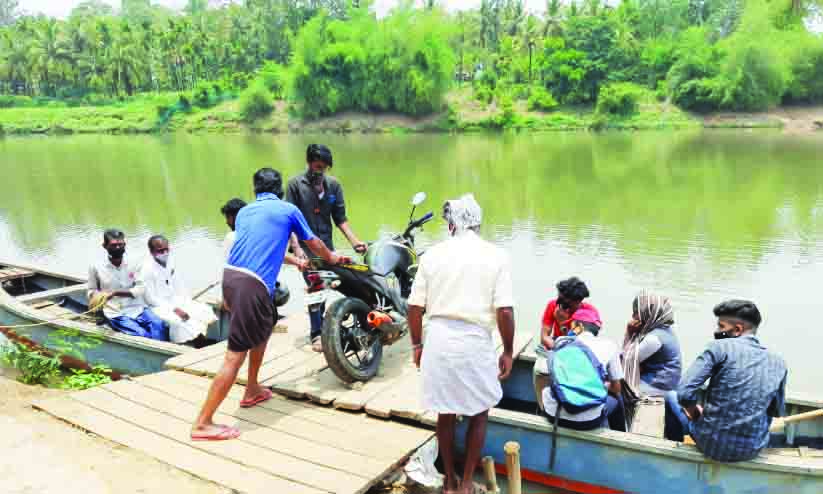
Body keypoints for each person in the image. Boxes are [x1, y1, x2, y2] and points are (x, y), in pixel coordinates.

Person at [191, 168, 348, 442]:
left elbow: (263, 248)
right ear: (280, 190)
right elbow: (314, 242)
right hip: (251, 285)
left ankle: (252, 390)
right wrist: (333, 258)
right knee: (234, 356)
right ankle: (203, 423)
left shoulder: (244, 213)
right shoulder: (288, 209)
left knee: (263, 330)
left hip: (232, 278)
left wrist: (295, 261)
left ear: (255, 191)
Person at [407, 194, 515, 494]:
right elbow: (504, 310)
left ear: (450, 223)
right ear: (478, 222)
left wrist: (417, 345)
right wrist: (507, 350)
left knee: (445, 412)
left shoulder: (432, 256)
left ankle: (449, 480)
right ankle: (467, 482)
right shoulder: (496, 256)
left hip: (439, 340)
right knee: (479, 412)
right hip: (474, 342)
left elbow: (414, 308)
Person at [664, 300, 787, 462]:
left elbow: (684, 392)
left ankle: (675, 449)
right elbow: (777, 411)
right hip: (752, 449)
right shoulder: (779, 362)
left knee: (671, 396)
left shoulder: (718, 348)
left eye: (721, 326)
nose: (717, 331)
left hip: (710, 445)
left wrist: (695, 414)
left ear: (737, 330)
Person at [287, 144, 366, 352]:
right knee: (315, 287)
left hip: (326, 248)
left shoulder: (334, 186)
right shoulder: (295, 185)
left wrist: (354, 241)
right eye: (317, 166)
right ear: (309, 163)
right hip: (304, 248)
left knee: (333, 285)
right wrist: (296, 249)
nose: (320, 171)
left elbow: (340, 218)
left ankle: (328, 325)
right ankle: (316, 334)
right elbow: (289, 221)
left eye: (324, 167)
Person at [541, 307, 627, 432]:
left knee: (548, 389)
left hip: (554, 415)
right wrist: (599, 385)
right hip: (588, 421)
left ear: (577, 325)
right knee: (617, 398)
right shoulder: (610, 345)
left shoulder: (561, 341)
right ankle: (621, 437)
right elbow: (616, 388)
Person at [87, 229, 167, 341]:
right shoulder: (96, 266)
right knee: (141, 335)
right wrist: (98, 296)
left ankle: (160, 352)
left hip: (137, 308)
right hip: (114, 312)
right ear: (104, 246)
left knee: (159, 325)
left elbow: (141, 288)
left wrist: (115, 293)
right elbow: (91, 289)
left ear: (125, 244)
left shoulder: (135, 262)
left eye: (121, 244)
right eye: (114, 245)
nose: (118, 248)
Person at [139, 235, 217, 346]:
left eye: (167, 249)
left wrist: (186, 302)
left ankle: (200, 339)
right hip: (158, 307)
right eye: (160, 250)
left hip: (174, 301)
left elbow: (179, 286)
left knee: (203, 309)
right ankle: (192, 343)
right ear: (151, 251)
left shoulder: (170, 262)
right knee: (179, 321)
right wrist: (174, 309)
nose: (165, 253)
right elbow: (151, 299)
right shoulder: (146, 269)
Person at [533, 277, 595, 411]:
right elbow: (544, 337)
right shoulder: (553, 306)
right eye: (559, 300)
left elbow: (576, 344)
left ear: (578, 301)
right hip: (556, 346)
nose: (561, 305)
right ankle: (542, 407)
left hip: (578, 351)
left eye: (566, 303)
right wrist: (555, 345)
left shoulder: (588, 315)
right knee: (540, 370)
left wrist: (561, 323)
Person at [622, 290, 682, 397]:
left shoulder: (654, 338)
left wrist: (628, 332)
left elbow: (627, 360)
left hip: (657, 385)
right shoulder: (665, 330)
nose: (633, 315)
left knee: (615, 387)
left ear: (647, 313)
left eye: (637, 312)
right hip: (666, 383)